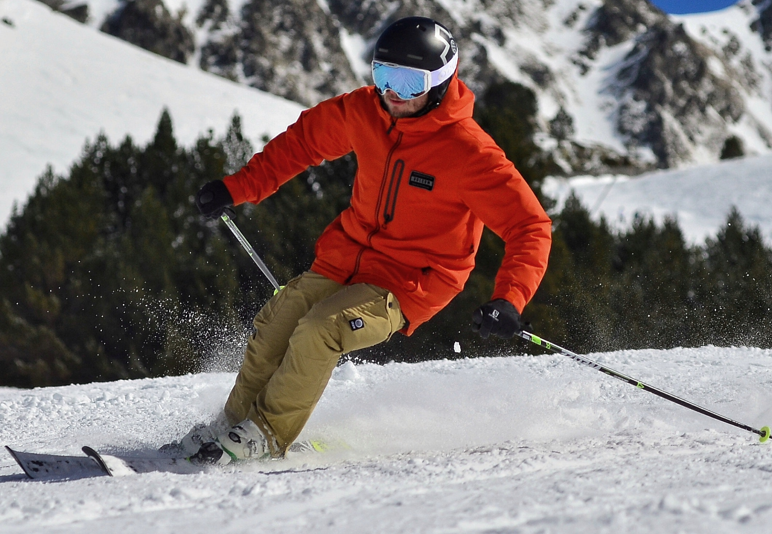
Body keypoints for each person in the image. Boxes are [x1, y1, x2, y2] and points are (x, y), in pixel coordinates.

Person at [182, 16, 552, 464]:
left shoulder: (468, 152)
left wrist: (510, 298)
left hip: (410, 282)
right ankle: (232, 424)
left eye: (408, 82)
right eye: (383, 76)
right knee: (278, 321)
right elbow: (302, 143)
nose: (393, 93)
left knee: (322, 328)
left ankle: (266, 433)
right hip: (345, 259)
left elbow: (529, 227)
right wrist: (236, 188)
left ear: (438, 83)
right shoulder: (364, 111)